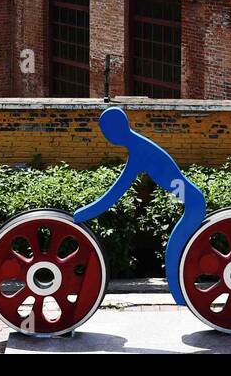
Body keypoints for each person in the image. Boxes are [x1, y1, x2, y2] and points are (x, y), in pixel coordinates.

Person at [74, 107, 206, 305]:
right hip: (192, 202)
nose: (107, 137)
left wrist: (83, 214)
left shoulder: (139, 151)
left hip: (194, 205)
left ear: (117, 129)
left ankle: (182, 298)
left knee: (173, 251)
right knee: (174, 251)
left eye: (106, 132)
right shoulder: (138, 146)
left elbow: (115, 193)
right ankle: (182, 298)